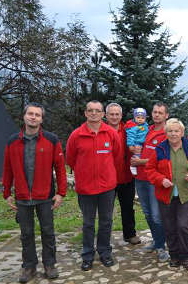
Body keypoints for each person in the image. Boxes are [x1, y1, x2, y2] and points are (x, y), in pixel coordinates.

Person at [3, 103, 67, 283]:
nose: (33, 117)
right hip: (22, 197)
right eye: (30, 114)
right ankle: (29, 266)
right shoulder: (12, 141)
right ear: (24, 117)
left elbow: (60, 168)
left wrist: (61, 193)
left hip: (45, 196)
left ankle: (49, 264)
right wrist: (7, 192)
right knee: (26, 233)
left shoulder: (51, 140)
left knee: (48, 231)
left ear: (41, 119)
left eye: (37, 115)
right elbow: (7, 168)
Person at [146, 118, 188, 269]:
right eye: (170, 131)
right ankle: (174, 256)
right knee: (169, 227)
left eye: (176, 131)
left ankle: (187, 256)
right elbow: (149, 169)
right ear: (166, 133)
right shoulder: (160, 149)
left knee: (183, 226)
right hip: (166, 196)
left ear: (182, 132)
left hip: (186, 195)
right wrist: (161, 180)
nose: (173, 134)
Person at [66, 100, 122, 271]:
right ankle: (87, 255)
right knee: (88, 223)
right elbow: (70, 159)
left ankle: (105, 252)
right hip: (86, 188)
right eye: (90, 110)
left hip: (107, 187)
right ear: (85, 113)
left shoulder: (111, 133)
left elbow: (118, 157)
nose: (94, 114)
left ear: (103, 114)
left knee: (106, 222)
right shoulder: (76, 135)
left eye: (97, 111)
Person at [131, 102, 170, 262]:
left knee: (156, 215)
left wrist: (141, 162)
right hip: (141, 178)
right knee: (147, 213)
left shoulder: (168, 132)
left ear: (166, 115)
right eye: (155, 112)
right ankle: (156, 240)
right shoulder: (146, 130)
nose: (157, 115)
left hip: (155, 180)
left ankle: (161, 247)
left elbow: (164, 159)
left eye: (160, 113)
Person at [105, 103, 140, 245]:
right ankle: (105, 238)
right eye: (111, 114)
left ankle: (130, 234)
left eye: (117, 114)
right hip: (107, 178)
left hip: (126, 176)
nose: (114, 117)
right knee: (106, 211)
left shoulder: (128, 131)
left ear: (121, 116)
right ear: (106, 116)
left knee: (127, 207)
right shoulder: (102, 131)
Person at [126, 108, 149, 176]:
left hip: (143, 143)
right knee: (137, 154)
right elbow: (130, 136)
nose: (140, 119)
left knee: (142, 156)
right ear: (134, 117)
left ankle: (139, 167)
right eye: (138, 117)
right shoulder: (133, 127)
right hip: (136, 143)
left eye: (142, 118)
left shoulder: (145, 125)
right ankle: (133, 165)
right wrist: (130, 145)